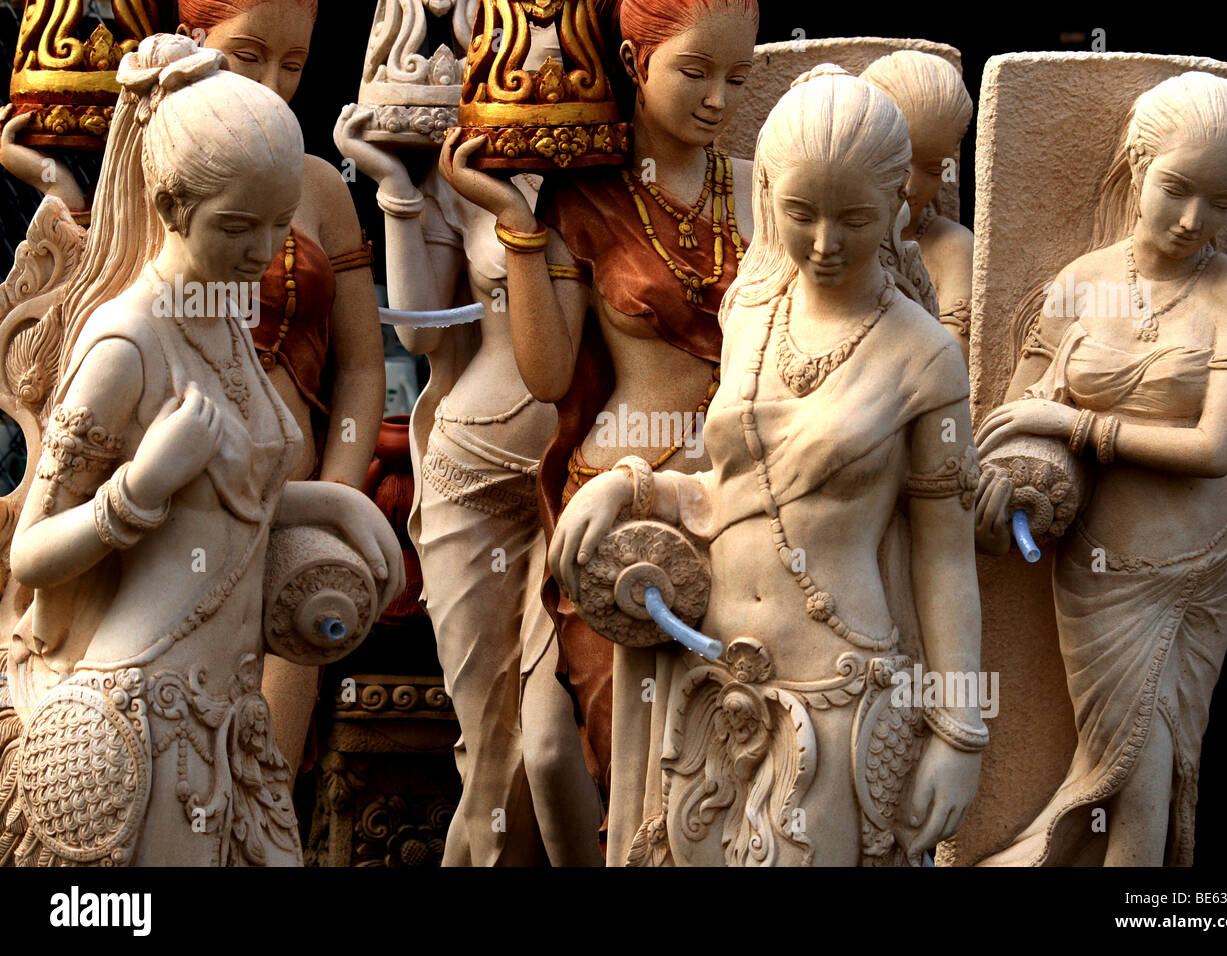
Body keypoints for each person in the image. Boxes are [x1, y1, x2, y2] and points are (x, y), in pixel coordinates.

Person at [551, 66, 983, 865]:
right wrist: (629, 483)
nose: (824, 244)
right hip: (711, 673)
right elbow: (732, 494)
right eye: (801, 214)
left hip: (835, 688)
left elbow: (946, 557)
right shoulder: (750, 312)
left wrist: (960, 730)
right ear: (769, 195)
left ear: (895, 205)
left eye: (854, 218)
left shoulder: (926, 357)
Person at [0, 34, 400, 867]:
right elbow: (33, 554)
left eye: (280, 223)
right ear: (173, 205)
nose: (263, 252)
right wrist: (138, 487)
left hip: (229, 717)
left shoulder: (221, 316)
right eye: (237, 227)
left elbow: (227, 504)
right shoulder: (126, 346)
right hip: (140, 717)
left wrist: (335, 501)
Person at [439, 0, 760, 841]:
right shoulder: (584, 205)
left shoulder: (763, 191)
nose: (719, 98)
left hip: (730, 496)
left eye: (738, 76)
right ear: (631, 59)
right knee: (557, 754)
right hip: (608, 502)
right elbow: (548, 376)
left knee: (712, 751)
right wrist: (514, 224)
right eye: (695, 71)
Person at [974, 71, 1227, 866]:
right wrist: (1012, 475)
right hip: (1102, 567)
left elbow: (1215, 449)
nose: (1192, 220)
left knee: (1161, 762)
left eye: (1219, 201)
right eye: (1175, 188)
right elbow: (1016, 413)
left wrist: (1078, 421)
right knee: (1125, 763)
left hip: (1200, 557)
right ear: (1138, 166)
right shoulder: (1082, 284)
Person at [333, 24, 605, 864]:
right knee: (488, 747)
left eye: (561, 55)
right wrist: (396, 185)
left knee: (552, 745)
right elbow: (417, 331)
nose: (541, 71)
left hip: (580, 482)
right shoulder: (467, 174)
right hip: (466, 482)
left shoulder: (612, 187)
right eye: (526, 54)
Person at [862, 50, 974, 362]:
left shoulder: (953, 247)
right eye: (895, 161)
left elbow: (953, 363)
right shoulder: (830, 237)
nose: (910, 185)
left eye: (933, 170)